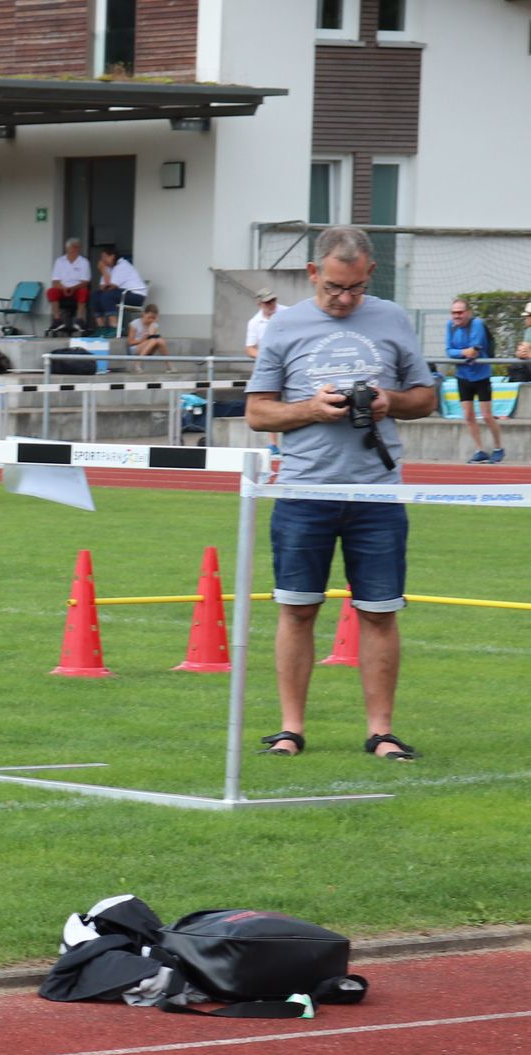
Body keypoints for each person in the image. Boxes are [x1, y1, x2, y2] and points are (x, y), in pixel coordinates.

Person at [246, 225, 438, 762]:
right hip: (305, 488)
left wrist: (387, 401)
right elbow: (258, 412)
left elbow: (425, 400)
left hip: (376, 491)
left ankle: (382, 732)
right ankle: (290, 730)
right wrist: (310, 408)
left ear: (369, 275)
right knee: (297, 609)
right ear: (313, 273)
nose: (344, 298)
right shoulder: (282, 326)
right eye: (333, 287)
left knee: (379, 611)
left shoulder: (393, 319)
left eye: (353, 288)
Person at [446, 300, 504, 464]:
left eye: (460, 312)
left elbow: (475, 349)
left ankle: (498, 448)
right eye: (454, 312)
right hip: (463, 376)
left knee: (486, 415)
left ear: (468, 313)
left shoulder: (477, 323)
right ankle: (480, 450)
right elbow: (449, 351)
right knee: (468, 416)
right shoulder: (450, 326)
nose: (457, 316)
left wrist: (463, 352)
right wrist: (463, 352)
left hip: (481, 375)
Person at [92, 245, 147, 336]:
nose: (102, 260)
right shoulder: (109, 268)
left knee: (107, 295)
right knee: (96, 295)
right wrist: (105, 271)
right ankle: (101, 328)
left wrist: (103, 270)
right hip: (122, 293)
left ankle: (114, 327)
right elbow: (102, 287)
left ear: (112, 256)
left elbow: (111, 286)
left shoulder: (122, 265)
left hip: (136, 295)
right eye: (102, 257)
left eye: (105, 257)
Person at [46, 238, 93, 335]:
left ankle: (79, 319)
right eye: (72, 247)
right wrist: (64, 288)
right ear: (67, 248)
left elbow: (85, 282)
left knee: (84, 291)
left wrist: (73, 288)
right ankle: (57, 319)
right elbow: (55, 281)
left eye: (77, 247)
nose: (75, 249)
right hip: (62, 289)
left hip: (77, 289)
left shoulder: (84, 262)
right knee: (51, 291)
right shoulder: (59, 261)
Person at [244, 288, 279, 359]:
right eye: (268, 302)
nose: (272, 304)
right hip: (269, 363)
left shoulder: (287, 312)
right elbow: (250, 349)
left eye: (273, 300)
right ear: (259, 304)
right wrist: (267, 357)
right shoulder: (254, 322)